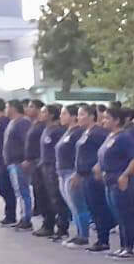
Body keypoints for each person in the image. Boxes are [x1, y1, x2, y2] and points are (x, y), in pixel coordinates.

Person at [94, 106, 134, 259]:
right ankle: (122, 246)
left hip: (119, 179)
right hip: (108, 180)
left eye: (108, 118)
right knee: (118, 215)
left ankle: (128, 247)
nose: (104, 121)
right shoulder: (110, 136)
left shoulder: (124, 137)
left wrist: (125, 175)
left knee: (125, 214)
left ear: (117, 120)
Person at [73, 104, 112, 252]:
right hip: (84, 175)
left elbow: (105, 150)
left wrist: (99, 166)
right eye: (78, 114)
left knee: (99, 207)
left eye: (82, 114)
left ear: (91, 116)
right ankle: (101, 237)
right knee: (92, 208)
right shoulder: (85, 132)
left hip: (93, 175)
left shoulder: (98, 132)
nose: (79, 118)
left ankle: (104, 239)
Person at [55, 104, 89, 248]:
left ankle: (83, 235)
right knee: (72, 205)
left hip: (71, 172)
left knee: (78, 204)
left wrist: (78, 172)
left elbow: (79, 155)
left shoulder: (78, 133)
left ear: (73, 116)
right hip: (62, 172)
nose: (61, 117)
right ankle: (78, 233)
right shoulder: (67, 132)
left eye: (64, 114)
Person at [37, 103, 71, 242]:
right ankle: (48, 224)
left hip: (53, 167)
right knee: (46, 197)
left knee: (57, 198)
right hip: (44, 166)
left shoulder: (57, 130)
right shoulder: (46, 129)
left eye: (44, 112)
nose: (41, 114)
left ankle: (62, 227)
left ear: (51, 114)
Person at [25, 100, 56, 236]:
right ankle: (46, 222)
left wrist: (38, 160)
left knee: (46, 195)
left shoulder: (46, 128)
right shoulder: (36, 125)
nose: (28, 109)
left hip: (42, 164)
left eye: (32, 106)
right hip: (35, 165)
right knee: (39, 194)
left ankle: (49, 224)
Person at [2, 100, 34, 230]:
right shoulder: (12, 122)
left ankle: (26, 219)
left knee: (23, 191)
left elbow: (27, 141)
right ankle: (23, 217)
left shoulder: (23, 123)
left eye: (7, 107)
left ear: (14, 108)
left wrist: (27, 158)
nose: (6, 109)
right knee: (18, 192)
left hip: (19, 163)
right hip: (12, 163)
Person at [0, 99, 16, 226]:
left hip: (4, 160)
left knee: (7, 187)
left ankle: (11, 214)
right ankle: (9, 213)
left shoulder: (5, 121)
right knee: (2, 188)